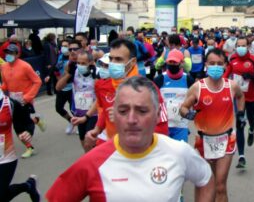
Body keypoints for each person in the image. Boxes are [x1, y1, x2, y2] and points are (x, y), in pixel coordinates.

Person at [46, 76, 215, 202]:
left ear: (157, 116)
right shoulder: (92, 163)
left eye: (142, 111)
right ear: (113, 115)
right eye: (123, 111)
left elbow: (205, 178)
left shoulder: (179, 152)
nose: (132, 119)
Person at [77, 39, 169, 150]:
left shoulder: (149, 89)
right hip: (111, 146)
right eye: (111, 59)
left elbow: (162, 127)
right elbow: (104, 112)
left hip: (138, 150)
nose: (113, 63)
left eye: (118, 59)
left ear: (132, 62)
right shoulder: (103, 85)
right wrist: (96, 130)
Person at [180, 48, 246, 202]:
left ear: (224, 65)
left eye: (219, 63)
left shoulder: (232, 85)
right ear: (206, 65)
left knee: (221, 186)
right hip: (204, 142)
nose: (215, 66)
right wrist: (188, 113)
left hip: (226, 139)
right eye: (212, 63)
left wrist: (241, 114)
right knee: (206, 185)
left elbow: (241, 96)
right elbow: (183, 107)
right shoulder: (198, 87)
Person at [223, 37, 254, 169]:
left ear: (248, 46)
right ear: (236, 46)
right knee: (239, 124)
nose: (240, 48)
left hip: (252, 97)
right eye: (238, 45)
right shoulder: (232, 59)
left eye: (243, 45)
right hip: (238, 98)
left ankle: (252, 129)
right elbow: (227, 74)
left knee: (250, 119)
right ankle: (241, 156)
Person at [1, 44, 44, 158]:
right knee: (17, 125)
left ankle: (30, 145)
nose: (8, 55)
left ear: (17, 54)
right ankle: (30, 144)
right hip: (13, 101)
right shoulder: (4, 67)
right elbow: (6, 84)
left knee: (26, 123)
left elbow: (37, 81)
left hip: (25, 100)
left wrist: (28, 97)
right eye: (7, 53)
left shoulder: (25, 66)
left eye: (11, 53)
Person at [0, 89, 41, 202]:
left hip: (5, 158)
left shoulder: (10, 104)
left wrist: (28, 132)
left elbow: (27, 121)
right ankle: (29, 185)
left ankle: (28, 186)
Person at [56, 49, 98, 152]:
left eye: (83, 63)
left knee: (90, 140)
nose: (80, 65)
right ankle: (88, 159)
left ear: (91, 63)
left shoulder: (97, 73)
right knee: (83, 140)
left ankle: (92, 162)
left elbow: (100, 95)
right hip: (79, 112)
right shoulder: (74, 71)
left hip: (94, 113)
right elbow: (58, 87)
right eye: (78, 63)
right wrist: (68, 75)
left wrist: (96, 78)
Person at [154, 49, 195, 142]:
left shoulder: (188, 80)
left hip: (181, 125)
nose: (172, 64)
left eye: (175, 62)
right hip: (163, 125)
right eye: (170, 62)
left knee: (180, 154)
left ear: (181, 63)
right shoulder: (159, 79)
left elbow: (194, 99)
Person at [54, 40, 76, 134]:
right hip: (62, 87)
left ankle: (80, 124)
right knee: (59, 108)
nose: (64, 48)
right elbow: (55, 70)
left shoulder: (74, 59)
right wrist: (60, 79)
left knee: (74, 109)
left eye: (66, 46)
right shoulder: (60, 57)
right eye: (63, 46)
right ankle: (71, 121)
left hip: (72, 88)